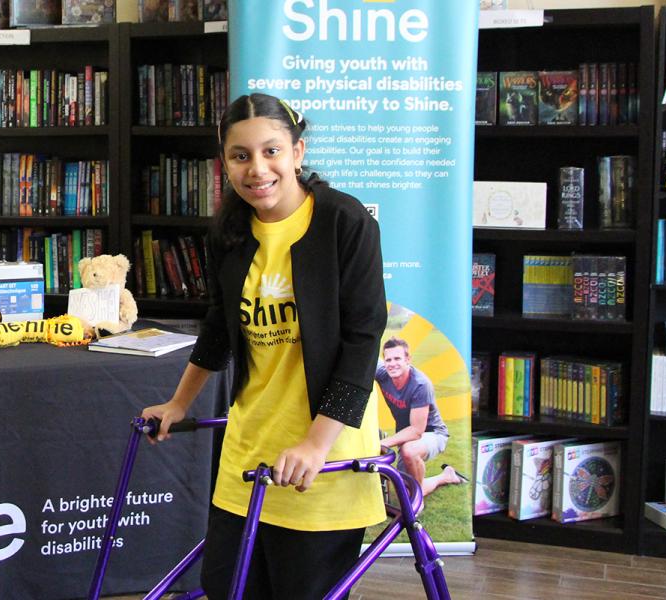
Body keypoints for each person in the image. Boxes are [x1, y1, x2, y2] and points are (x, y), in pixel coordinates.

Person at [141, 93, 387, 599]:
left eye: (271, 151)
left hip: (322, 454)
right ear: (224, 162)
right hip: (247, 451)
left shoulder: (346, 222)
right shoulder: (230, 230)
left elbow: (364, 343)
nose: (257, 169)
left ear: (297, 152)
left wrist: (316, 445)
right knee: (226, 588)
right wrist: (178, 403)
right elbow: (218, 326)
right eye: (241, 155)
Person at [375, 337, 463, 497]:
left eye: (397, 358)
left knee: (409, 451)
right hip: (406, 438)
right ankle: (445, 476)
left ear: (408, 359)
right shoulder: (383, 374)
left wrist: (382, 443)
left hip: (432, 434)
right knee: (405, 490)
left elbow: (416, 431)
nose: (392, 363)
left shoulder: (420, 385)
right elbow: (367, 358)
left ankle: (418, 499)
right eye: (388, 359)